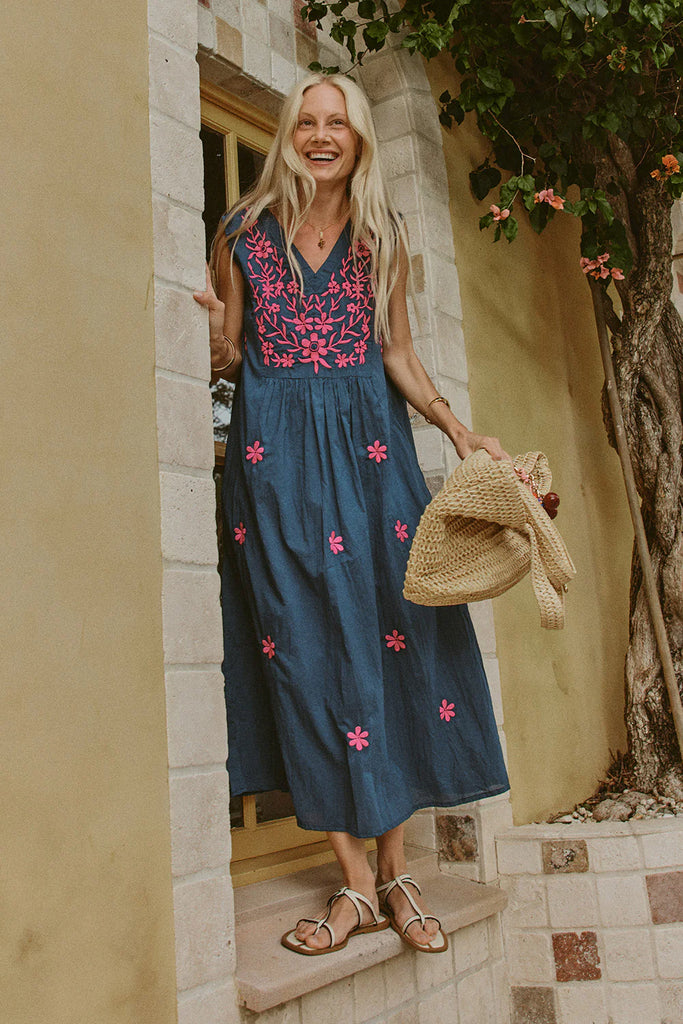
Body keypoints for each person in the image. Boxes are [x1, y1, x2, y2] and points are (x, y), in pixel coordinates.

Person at [194, 72, 509, 955]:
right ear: (288, 134)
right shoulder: (241, 233)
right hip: (277, 466)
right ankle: (356, 887)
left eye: (338, 123)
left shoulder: (383, 238)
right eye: (308, 121)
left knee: (388, 644)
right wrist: (209, 326)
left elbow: (397, 353)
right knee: (300, 655)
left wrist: (456, 427)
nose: (322, 135)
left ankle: (396, 869)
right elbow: (226, 358)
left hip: (375, 461)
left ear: (360, 139)